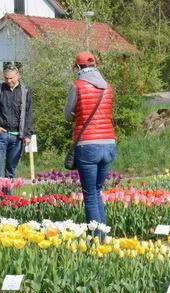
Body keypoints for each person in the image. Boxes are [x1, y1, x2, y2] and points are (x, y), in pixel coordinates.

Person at [64, 51, 116, 229]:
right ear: (95, 65)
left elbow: (68, 115)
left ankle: (97, 239)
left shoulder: (77, 86)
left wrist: (76, 115)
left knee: (90, 195)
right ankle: (103, 233)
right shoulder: (107, 87)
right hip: (109, 142)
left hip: (87, 144)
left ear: (78, 67)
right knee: (97, 191)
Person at [0, 65, 33, 179]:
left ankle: (8, 197)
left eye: (11, 78)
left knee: (10, 172)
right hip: (0, 135)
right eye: (6, 78)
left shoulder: (25, 91)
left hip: (17, 137)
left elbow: (28, 115)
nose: (8, 80)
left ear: (18, 76)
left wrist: (27, 134)